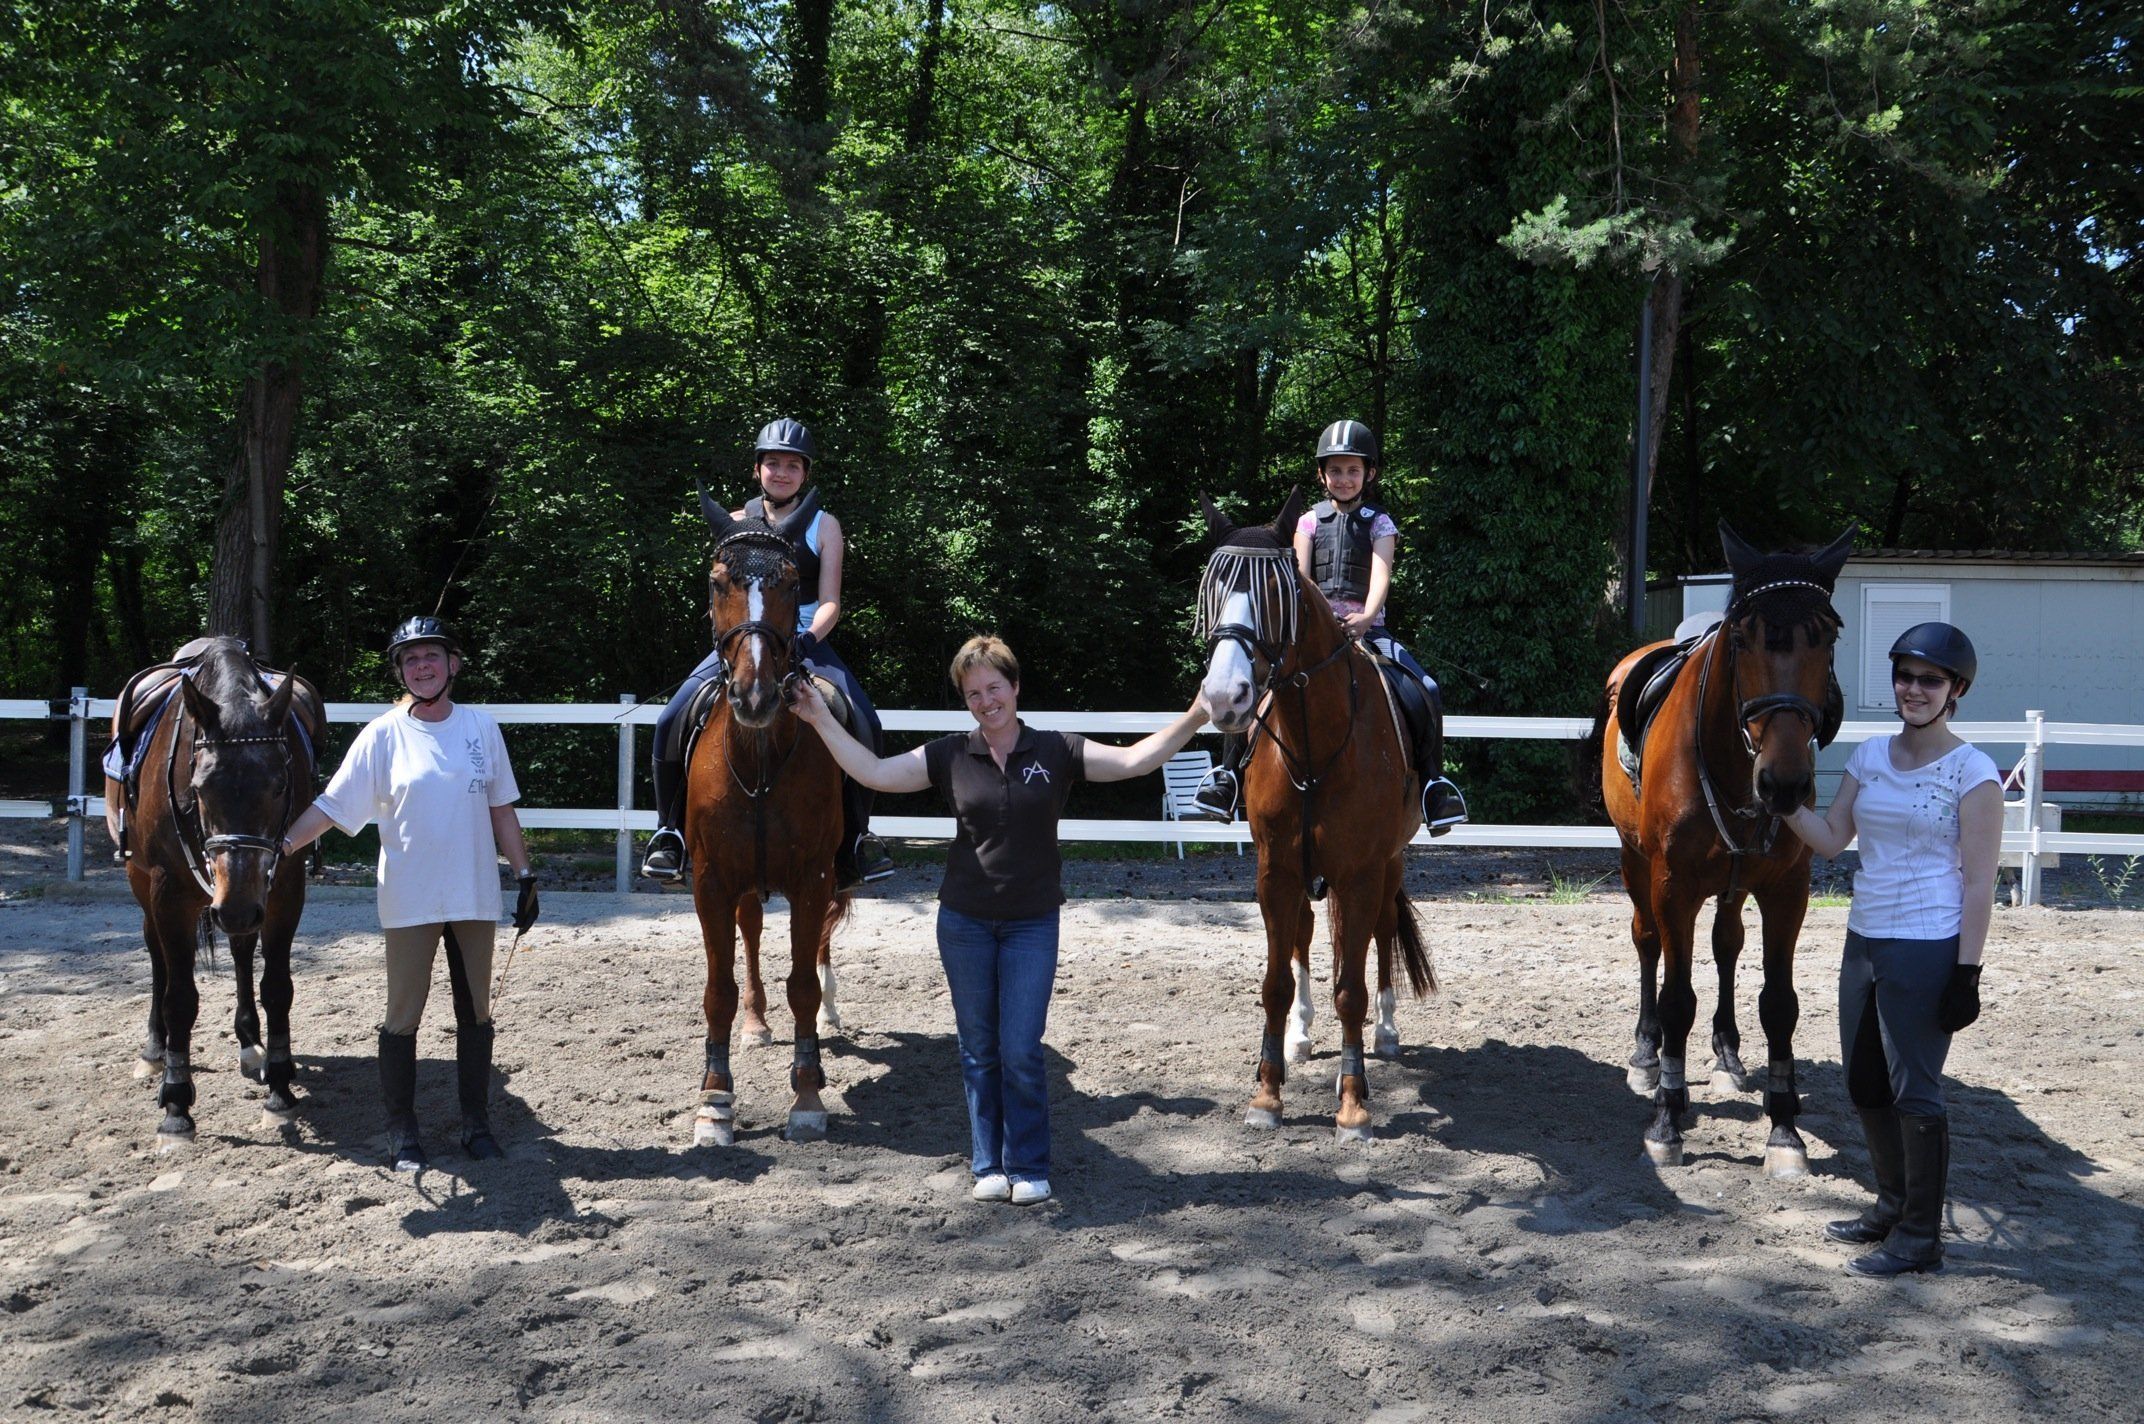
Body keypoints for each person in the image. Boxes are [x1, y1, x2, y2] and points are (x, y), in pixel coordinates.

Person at [790, 635, 1208, 1206]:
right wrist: (819, 717)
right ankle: (988, 1163)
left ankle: (1028, 1164)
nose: (986, 702)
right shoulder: (950, 754)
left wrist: (1197, 714)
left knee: (1021, 1048)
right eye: (973, 694)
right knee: (978, 1050)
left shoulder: (1056, 750)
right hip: (963, 923)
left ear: (1014, 687)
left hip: (1032, 925)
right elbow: (874, 772)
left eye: (994, 688)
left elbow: (1135, 760)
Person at [279, 617, 540, 1172]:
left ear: (453, 664)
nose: (423, 667)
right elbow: (332, 806)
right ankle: (402, 1130)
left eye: (432, 657)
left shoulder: (481, 728)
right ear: (401, 672)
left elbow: (501, 808)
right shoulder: (382, 735)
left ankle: (476, 1125)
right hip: (410, 896)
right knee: (402, 1014)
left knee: (476, 1012)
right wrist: (279, 848)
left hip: (473, 893)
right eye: (411, 660)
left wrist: (523, 875)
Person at [1781, 622, 2001, 1277]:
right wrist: (1784, 804)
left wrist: (1967, 972)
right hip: (1864, 939)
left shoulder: (1972, 772)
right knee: (1865, 1082)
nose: (1914, 689)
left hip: (1927, 944)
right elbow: (1830, 840)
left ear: (1956, 690)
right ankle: (1891, 1205)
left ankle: (1920, 1237)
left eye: (1930, 680)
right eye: (1905, 676)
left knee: (1916, 1091)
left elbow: (1980, 881)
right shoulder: (1869, 756)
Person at [642, 417, 893, 890]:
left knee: (864, 719)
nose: (782, 472)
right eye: (773, 463)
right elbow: (722, 590)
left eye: (792, 466)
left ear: (805, 473)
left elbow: (831, 600)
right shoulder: (736, 523)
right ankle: (669, 831)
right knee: (671, 717)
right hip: (744, 640)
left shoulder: (825, 525)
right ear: (757, 469)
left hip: (805, 640)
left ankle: (858, 838)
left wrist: (808, 639)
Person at [1191, 419, 1466, 831]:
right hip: (1312, 632)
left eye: (1353, 470)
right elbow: (1301, 580)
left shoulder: (1380, 523)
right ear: (1322, 475)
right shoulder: (1307, 522)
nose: (1343, 479)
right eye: (1335, 470)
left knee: (1425, 687)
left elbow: (1381, 576)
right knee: (1254, 682)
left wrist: (1367, 617)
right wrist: (1320, 620)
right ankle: (1228, 775)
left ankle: (1433, 784)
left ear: (1369, 474)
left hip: (1368, 630)